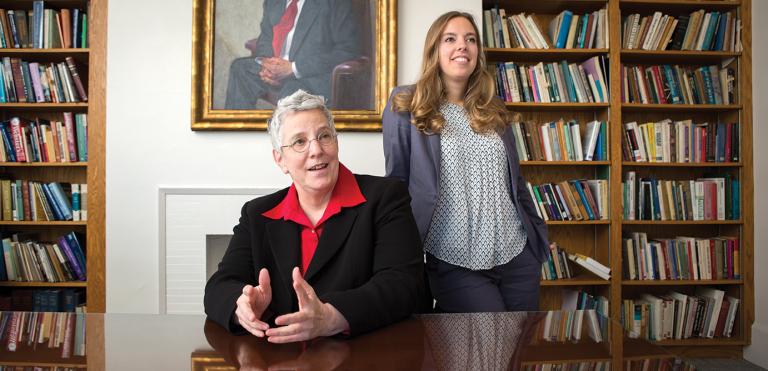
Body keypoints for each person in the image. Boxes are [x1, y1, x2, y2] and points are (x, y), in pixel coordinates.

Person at [205, 89, 425, 343]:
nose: (316, 150)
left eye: (324, 136)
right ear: (280, 159)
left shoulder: (386, 197)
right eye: (299, 142)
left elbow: (403, 285)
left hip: (367, 356)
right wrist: (241, 307)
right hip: (281, 358)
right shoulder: (257, 214)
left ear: (336, 142)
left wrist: (332, 316)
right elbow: (219, 286)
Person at [382, 11, 549, 313]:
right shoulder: (406, 105)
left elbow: (515, 181)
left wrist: (537, 236)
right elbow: (397, 183)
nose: (463, 46)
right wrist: (399, 257)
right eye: (451, 39)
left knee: (518, 352)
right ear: (435, 50)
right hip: (453, 260)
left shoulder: (494, 110)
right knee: (484, 353)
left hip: (517, 256)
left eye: (470, 40)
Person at [224, 0, 361, 109]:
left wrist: (293, 69)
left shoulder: (335, 2)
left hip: (308, 75)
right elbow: (265, 38)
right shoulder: (273, 2)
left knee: (292, 94)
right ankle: (238, 135)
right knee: (240, 68)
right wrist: (267, 65)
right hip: (276, 70)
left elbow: (347, 50)